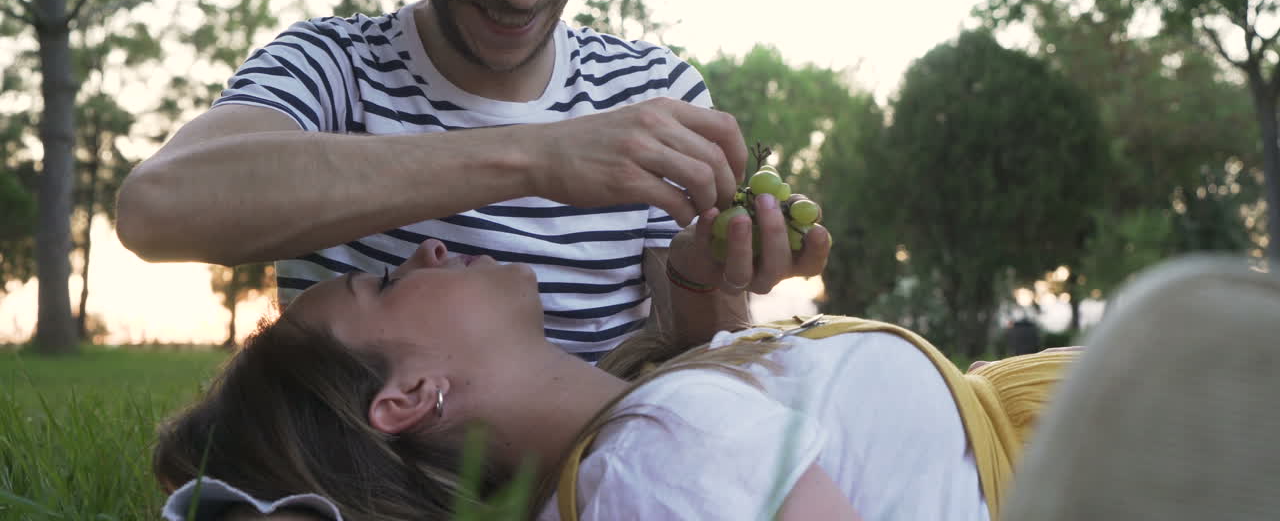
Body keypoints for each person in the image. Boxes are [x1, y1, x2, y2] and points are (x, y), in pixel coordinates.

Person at [115, 0, 830, 361]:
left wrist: (708, 276)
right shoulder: (331, 66)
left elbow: (693, 364)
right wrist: (536, 157)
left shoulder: (653, 90)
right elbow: (158, 207)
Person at [154, 239, 1077, 521]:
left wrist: (708, 300)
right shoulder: (655, 461)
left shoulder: (649, 425)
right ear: (411, 397)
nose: (427, 245)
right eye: (390, 281)